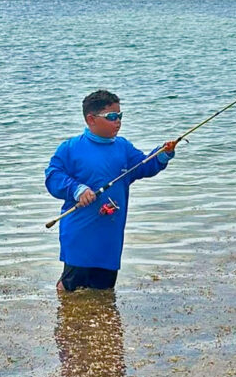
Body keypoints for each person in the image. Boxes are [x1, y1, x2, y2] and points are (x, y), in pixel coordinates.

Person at [45, 90, 177, 292]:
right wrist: (77, 189)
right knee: (72, 286)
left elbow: (143, 167)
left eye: (120, 116)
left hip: (110, 233)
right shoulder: (70, 148)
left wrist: (162, 154)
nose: (118, 121)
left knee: (104, 290)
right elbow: (53, 176)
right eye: (112, 117)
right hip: (81, 232)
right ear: (91, 119)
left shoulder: (123, 147)